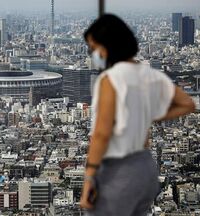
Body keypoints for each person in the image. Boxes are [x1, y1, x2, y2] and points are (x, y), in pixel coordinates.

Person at [80, 14, 196, 215]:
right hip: (145, 167)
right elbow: (187, 104)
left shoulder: (110, 80)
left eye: (94, 47)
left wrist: (89, 178)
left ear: (108, 46)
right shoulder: (149, 74)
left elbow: (101, 134)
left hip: (118, 170)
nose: (93, 53)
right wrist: (151, 115)